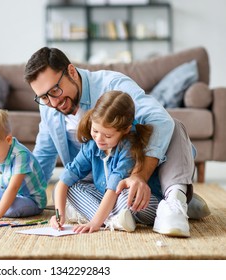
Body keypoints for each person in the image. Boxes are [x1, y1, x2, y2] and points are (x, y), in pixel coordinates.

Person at [24, 47, 210, 237]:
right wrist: (21, 195)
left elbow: (160, 120)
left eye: (55, 90)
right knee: (74, 191)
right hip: (94, 181)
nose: (53, 103)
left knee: (174, 125)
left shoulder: (112, 84)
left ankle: (173, 199)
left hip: (128, 172)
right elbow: (44, 156)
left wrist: (140, 175)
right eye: (44, 97)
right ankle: (166, 202)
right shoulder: (49, 109)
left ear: (71, 71)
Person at [51, 90, 162, 233]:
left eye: (108, 136)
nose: (99, 139)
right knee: (72, 188)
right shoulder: (91, 146)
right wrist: (59, 216)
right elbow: (64, 181)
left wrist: (95, 223)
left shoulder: (128, 148)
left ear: (126, 130)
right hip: (110, 200)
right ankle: (114, 220)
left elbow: (113, 190)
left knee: (125, 196)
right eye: (95, 131)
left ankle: (107, 220)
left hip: (137, 201)